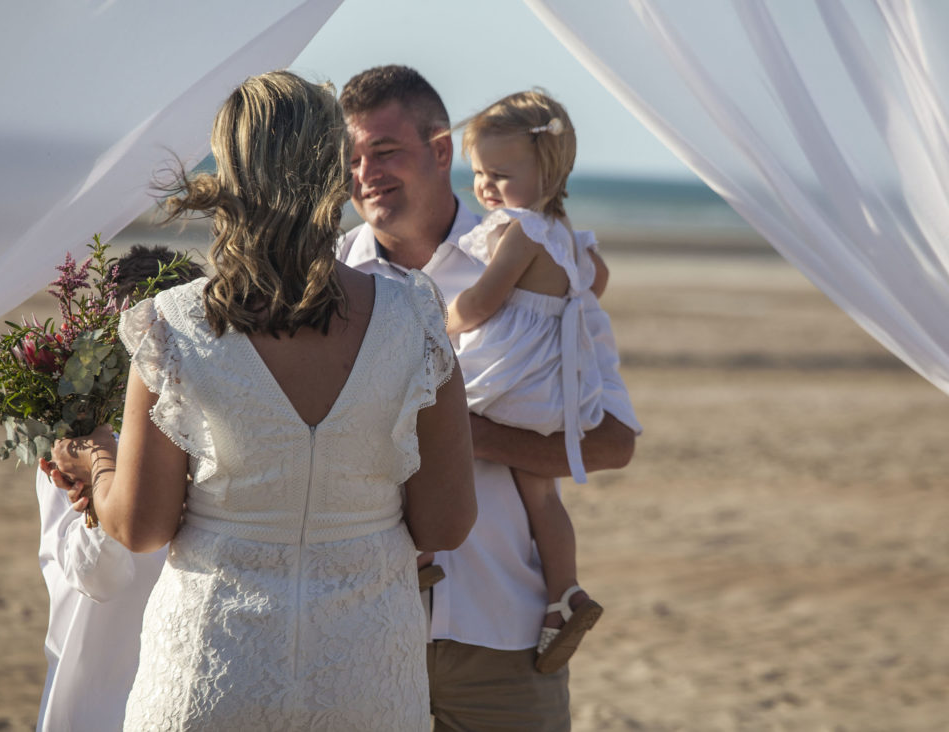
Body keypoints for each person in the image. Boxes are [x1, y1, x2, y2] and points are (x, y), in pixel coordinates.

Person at [48, 71, 476, 730]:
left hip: (212, 669)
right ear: (335, 171)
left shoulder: (174, 325)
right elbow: (445, 524)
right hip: (363, 674)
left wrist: (97, 463)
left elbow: (141, 526)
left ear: (231, 175)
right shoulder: (413, 316)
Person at [339, 65, 640, 730]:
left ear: (441, 149)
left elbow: (615, 441)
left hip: (504, 636)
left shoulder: (536, 267)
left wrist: (468, 434)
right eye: (352, 158)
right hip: (360, 633)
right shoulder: (326, 288)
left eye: (385, 151)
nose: (366, 174)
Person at [446, 90, 615, 674]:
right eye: (477, 174)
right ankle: (563, 593)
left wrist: (437, 319)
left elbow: (481, 303)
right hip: (548, 387)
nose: (486, 188)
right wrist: (556, 308)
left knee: (428, 429)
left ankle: (420, 553)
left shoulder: (523, 229)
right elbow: (597, 280)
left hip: (506, 378)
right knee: (540, 496)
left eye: (500, 174)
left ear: (547, 171)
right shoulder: (566, 232)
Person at [34, 245, 204, 732]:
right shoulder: (73, 439)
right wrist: (101, 466)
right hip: (99, 697)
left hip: (193, 690)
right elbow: (96, 581)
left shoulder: (213, 430)